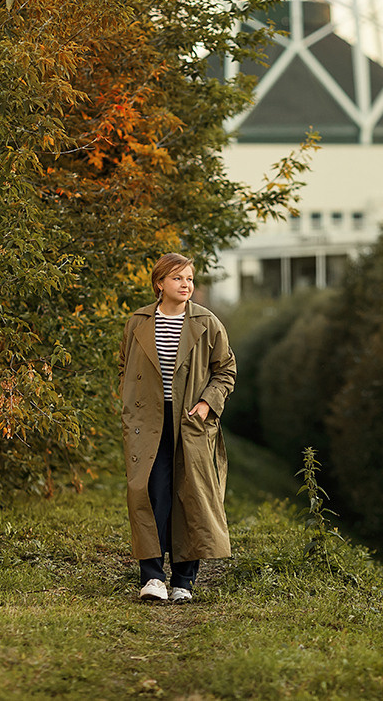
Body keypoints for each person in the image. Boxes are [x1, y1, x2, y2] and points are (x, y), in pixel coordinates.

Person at [118, 253, 236, 603]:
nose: (186, 285)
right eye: (177, 278)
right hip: (147, 423)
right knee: (149, 494)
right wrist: (129, 405)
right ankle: (152, 578)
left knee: (191, 497)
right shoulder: (138, 322)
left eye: (189, 279)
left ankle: (184, 581)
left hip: (191, 422)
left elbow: (226, 371)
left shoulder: (207, 322)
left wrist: (207, 404)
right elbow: (125, 367)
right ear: (159, 284)